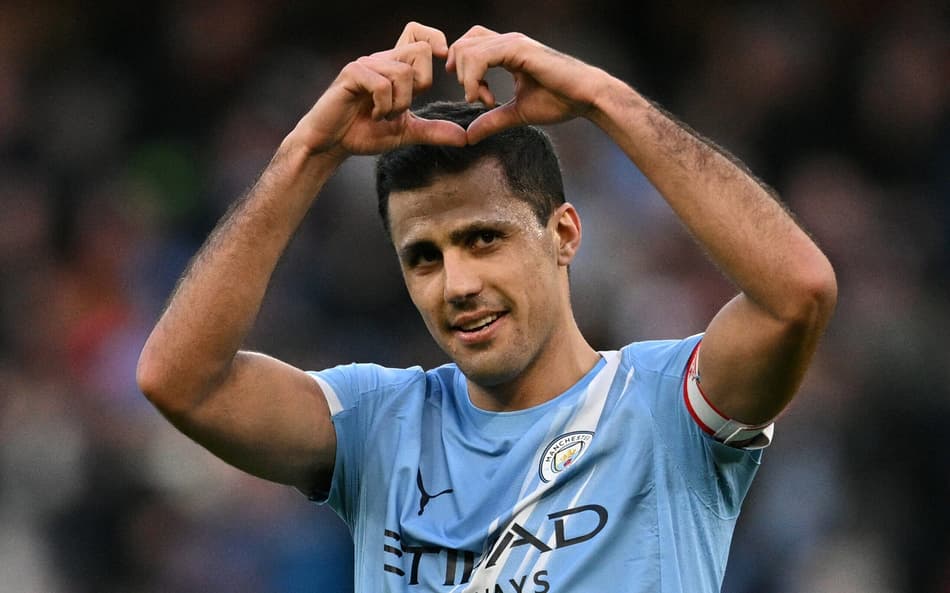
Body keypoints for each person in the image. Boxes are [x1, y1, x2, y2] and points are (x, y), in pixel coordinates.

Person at [137, 22, 837, 593]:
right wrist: (308, 152)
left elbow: (797, 295)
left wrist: (606, 102)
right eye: (424, 256)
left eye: (483, 239)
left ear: (564, 234)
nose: (457, 283)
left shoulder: (665, 406)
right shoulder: (380, 425)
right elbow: (181, 381)